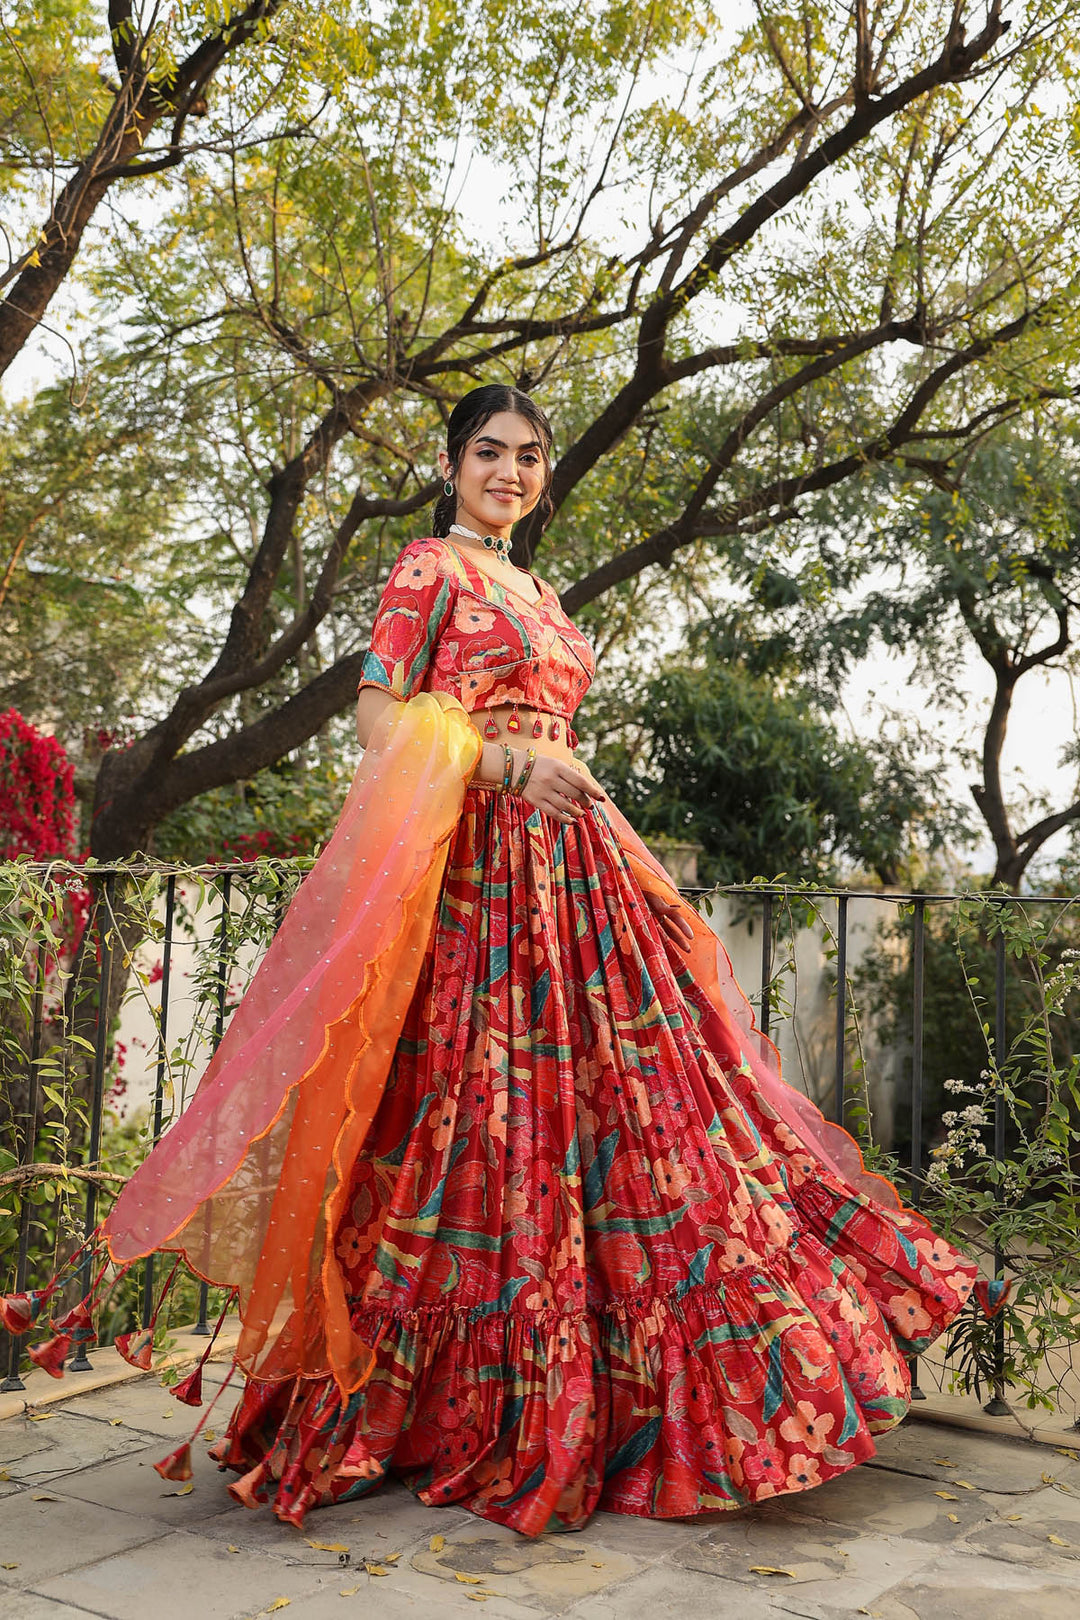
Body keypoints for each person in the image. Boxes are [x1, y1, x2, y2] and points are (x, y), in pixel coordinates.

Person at [3, 384, 1001, 1539]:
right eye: (490, 452)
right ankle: (449, 1409)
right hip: (480, 879)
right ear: (451, 461)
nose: (511, 473)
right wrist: (506, 769)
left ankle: (680, 1389)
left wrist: (549, 772)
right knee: (478, 1128)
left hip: (575, 882)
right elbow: (384, 721)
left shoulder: (538, 586)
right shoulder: (430, 569)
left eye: (530, 457)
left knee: (646, 1119)